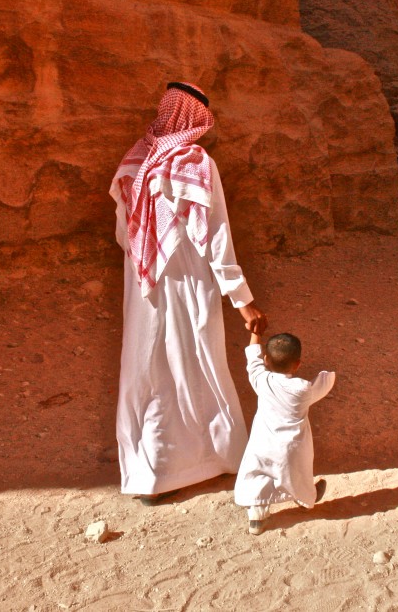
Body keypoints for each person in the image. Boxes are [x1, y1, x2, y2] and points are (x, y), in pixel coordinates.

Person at [110, 81, 267, 505]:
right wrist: (242, 298)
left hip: (143, 285)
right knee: (193, 360)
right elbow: (216, 235)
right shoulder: (196, 163)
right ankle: (210, 459)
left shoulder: (135, 160)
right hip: (187, 281)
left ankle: (152, 471)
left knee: (149, 367)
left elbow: (125, 234)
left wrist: (142, 265)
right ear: (194, 117)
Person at [234, 329, 335, 535]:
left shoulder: (261, 381)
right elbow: (324, 383)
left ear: (266, 359)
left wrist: (255, 332)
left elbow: (252, 360)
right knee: (298, 473)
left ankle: (257, 517)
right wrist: (327, 376)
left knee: (258, 475)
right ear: (298, 363)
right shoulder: (303, 389)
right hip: (292, 447)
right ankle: (307, 498)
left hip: (262, 444)